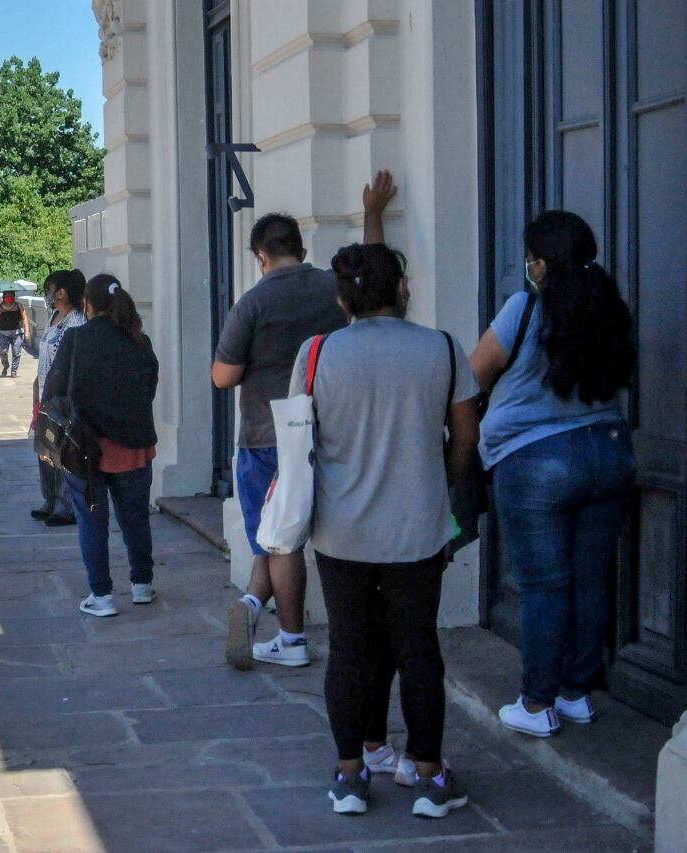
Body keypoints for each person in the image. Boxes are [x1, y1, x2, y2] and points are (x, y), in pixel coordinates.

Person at [296, 242, 477, 819]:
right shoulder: (442, 349)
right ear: (401, 289)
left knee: (349, 647)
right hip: (418, 528)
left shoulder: (318, 353)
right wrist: (438, 481)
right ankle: (429, 775)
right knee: (417, 645)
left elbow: (301, 436)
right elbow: (466, 438)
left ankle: (351, 776)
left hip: (340, 530)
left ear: (343, 297)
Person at [213, 171, 397, 670]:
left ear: (261, 257)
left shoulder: (251, 304)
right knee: (301, 537)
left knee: (279, 540)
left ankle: (291, 638)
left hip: (265, 436)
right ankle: (253, 605)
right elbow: (375, 290)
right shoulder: (333, 289)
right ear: (301, 246)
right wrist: (373, 215)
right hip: (330, 431)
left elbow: (223, 376)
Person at [469, 211, 636, 738]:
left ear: (539, 264)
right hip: (609, 452)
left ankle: (537, 704)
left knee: (544, 586)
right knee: (590, 579)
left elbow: (475, 373)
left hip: (535, 458)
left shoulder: (524, 307)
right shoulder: (609, 309)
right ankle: (576, 694)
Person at [42, 273, 158, 617]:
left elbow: (53, 391)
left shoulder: (76, 339)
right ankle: (142, 585)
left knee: (92, 522)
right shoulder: (141, 341)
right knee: (136, 518)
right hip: (134, 445)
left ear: (88, 304)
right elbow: (149, 389)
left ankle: (102, 596)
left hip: (86, 447)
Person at [32, 269, 86, 526]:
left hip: (63, 397)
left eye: (51, 289)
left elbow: (73, 363)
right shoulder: (54, 316)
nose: (48, 295)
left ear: (62, 293)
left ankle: (66, 507)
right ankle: (49, 500)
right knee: (43, 447)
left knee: (61, 450)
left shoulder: (76, 322)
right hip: (44, 394)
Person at [0, 291, 30, 377]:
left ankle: (14, 370)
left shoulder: (19, 306)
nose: (9, 298)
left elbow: (25, 319)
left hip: (17, 332)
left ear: (14, 297)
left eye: (11, 296)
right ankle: (6, 365)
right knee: (3, 351)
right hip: (2, 333)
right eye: (7, 296)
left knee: (17, 352)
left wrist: (27, 332)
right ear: (4, 298)